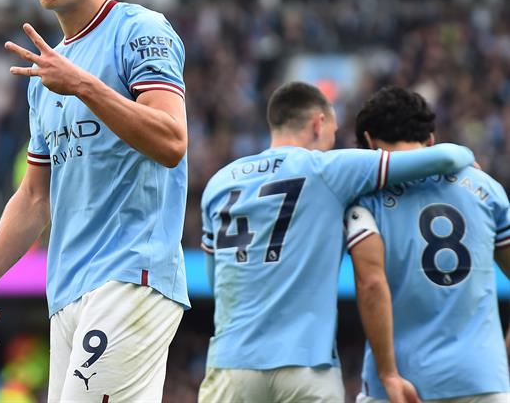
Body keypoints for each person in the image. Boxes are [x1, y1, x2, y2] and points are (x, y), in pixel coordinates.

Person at [0, 0, 189, 402]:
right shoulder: (46, 77)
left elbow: (172, 141)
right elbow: (35, 197)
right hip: (67, 288)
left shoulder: (140, 29)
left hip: (131, 273)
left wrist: (82, 85)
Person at [199, 81, 476, 403]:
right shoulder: (327, 170)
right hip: (305, 366)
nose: (332, 139)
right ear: (318, 122)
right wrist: (467, 157)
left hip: (231, 365)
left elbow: (215, 282)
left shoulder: (220, 181)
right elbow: (443, 158)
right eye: (333, 129)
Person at [345, 86, 510, 403]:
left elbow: (371, 284)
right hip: (481, 380)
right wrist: (500, 358)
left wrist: (387, 373)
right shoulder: (485, 187)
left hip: (399, 384)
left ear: (367, 141)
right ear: (431, 139)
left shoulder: (366, 198)